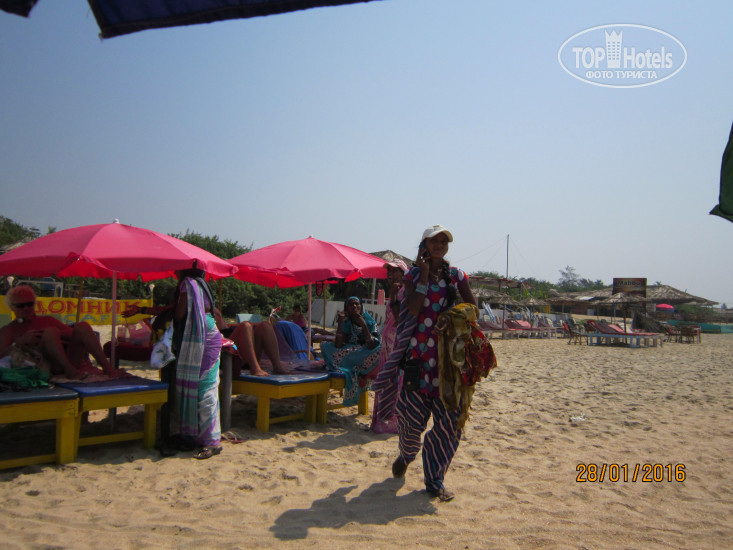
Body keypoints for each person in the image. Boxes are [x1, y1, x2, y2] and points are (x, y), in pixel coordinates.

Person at [373, 225, 476, 502]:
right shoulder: (413, 276)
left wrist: (450, 317)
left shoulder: (457, 276)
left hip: (447, 364)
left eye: (444, 241)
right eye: (434, 241)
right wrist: (426, 273)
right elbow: (415, 308)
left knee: (449, 424)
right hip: (418, 361)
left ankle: (435, 480)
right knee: (410, 424)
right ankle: (406, 456)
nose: (439, 245)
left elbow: (472, 309)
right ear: (424, 246)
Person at [126, 267, 223, 459]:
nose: (174, 271)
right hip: (206, 333)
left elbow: (178, 314)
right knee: (204, 385)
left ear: (184, 269)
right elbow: (173, 309)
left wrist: (163, 316)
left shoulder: (188, 285)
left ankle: (210, 440)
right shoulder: (201, 285)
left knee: (203, 387)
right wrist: (144, 310)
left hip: (201, 336)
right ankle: (202, 436)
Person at [0, 285, 119, 379]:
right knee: (50, 332)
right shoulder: (9, 330)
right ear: (12, 307)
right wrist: (18, 342)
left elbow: (76, 334)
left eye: (30, 304)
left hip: (68, 361)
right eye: (21, 306)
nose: (26, 308)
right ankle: (71, 371)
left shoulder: (47, 320)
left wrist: (55, 335)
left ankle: (108, 369)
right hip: (43, 366)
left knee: (82, 326)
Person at [370, 259, 409, 434]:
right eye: (389, 272)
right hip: (388, 343)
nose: (391, 275)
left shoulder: (405, 292)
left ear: (403, 273)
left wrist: (393, 295)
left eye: (395, 271)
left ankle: (393, 422)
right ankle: (382, 420)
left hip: (397, 343)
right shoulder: (397, 291)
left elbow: (400, 319)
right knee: (386, 380)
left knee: (395, 381)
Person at [320, 296, 381, 406]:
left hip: (365, 352)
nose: (354, 306)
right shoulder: (347, 322)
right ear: (346, 309)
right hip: (350, 352)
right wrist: (340, 323)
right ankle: (355, 368)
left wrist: (364, 325)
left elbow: (373, 346)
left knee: (380, 350)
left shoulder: (370, 322)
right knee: (324, 345)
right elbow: (338, 345)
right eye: (351, 304)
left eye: (357, 304)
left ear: (361, 306)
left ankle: (360, 370)